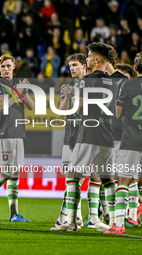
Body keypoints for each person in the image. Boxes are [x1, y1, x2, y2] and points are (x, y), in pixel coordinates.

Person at [61, 42, 116, 231]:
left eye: (90, 55)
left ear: (97, 59)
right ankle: (115, 222)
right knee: (107, 178)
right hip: (107, 135)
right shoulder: (112, 81)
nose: (88, 58)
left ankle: (70, 222)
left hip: (89, 133)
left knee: (73, 175)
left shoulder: (87, 80)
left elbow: (80, 106)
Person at [0, 54, 34, 222]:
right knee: (6, 172)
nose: (6, 69)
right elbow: (1, 106)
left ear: (14, 66)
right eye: (3, 66)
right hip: (5, 133)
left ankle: (14, 213)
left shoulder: (18, 85)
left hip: (18, 133)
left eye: (8, 66)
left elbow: (32, 107)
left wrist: (25, 92)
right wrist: (19, 93)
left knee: (15, 173)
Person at [104, 52, 142, 234]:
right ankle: (133, 217)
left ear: (134, 68)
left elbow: (117, 113)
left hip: (131, 139)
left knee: (124, 181)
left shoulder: (128, 84)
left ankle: (118, 224)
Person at [50, 53, 87, 231]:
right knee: (72, 179)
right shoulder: (70, 85)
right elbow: (62, 111)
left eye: (75, 65)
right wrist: (66, 96)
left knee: (76, 178)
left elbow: (82, 109)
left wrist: (72, 96)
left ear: (84, 66)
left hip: (85, 136)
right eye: (70, 65)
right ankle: (75, 218)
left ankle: (68, 219)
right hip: (69, 137)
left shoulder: (90, 84)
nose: (71, 68)